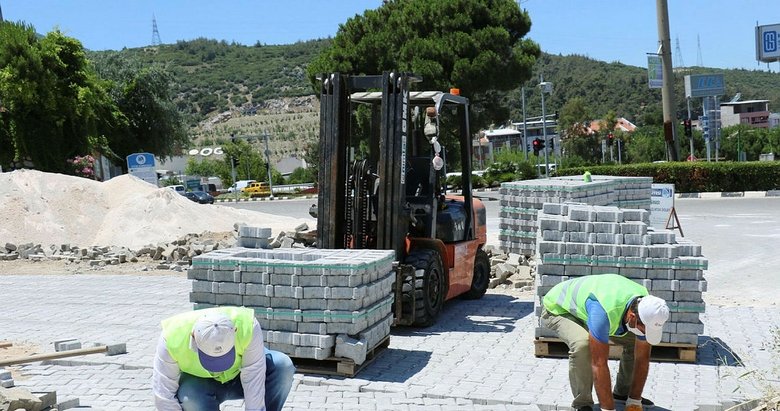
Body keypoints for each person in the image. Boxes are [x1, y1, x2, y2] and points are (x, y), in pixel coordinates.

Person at [540, 274, 670, 411]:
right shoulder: (603, 311)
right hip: (559, 309)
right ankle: (582, 403)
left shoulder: (646, 307)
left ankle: (623, 394)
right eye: (644, 329)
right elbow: (599, 364)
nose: (645, 333)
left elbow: (643, 358)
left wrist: (635, 401)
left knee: (635, 342)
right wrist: (608, 409)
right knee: (582, 344)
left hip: (590, 307)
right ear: (632, 317)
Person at [152, 306, 295, 411]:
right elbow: (164, 397)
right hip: (201, 386)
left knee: (283, 366)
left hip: (239, 376)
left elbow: (254, 378)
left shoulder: (247, 326)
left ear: (235, 331)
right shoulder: (171, 338)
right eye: (212, 358)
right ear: (194, 337)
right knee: (190, 398)